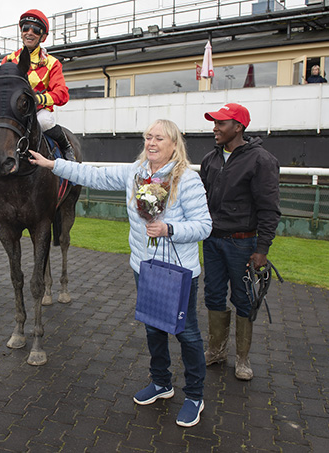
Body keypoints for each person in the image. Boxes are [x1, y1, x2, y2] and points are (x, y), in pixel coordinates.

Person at [29, 119, 212, 427]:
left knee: (186, 332)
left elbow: (205, 226)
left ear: (174, 144)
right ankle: (161, 383)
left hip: (178, 272)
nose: (151, 143)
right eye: (148, 137)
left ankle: (194, 395)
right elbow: (92, 175)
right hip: (144, 266)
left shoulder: (187, 181)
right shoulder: (136, 173)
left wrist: (170, 228)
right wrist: (52, 164)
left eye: (159, 138)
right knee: (153, 327)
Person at [200, 103, 281, 381]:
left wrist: (262, 249)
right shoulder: (210, 159)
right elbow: (201, 201)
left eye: (221, 123)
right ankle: (216, 350)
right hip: (212, 241)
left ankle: (242, 359)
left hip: (243, 244)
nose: (215, 128)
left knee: (243, 299)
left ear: (238, 127)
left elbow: (269, 209)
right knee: (212, 295)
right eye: (214, 122)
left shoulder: (261, 160)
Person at [2, 9, 76, 161]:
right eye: (25, 28)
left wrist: (39, 99)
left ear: (43, 36)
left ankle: (66, 148)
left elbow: (62, 94)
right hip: (14, 111)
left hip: (38, 112)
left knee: (45, 121)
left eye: (35, 30)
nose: (29, 32)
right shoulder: (8, 60)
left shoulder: (52, 63)